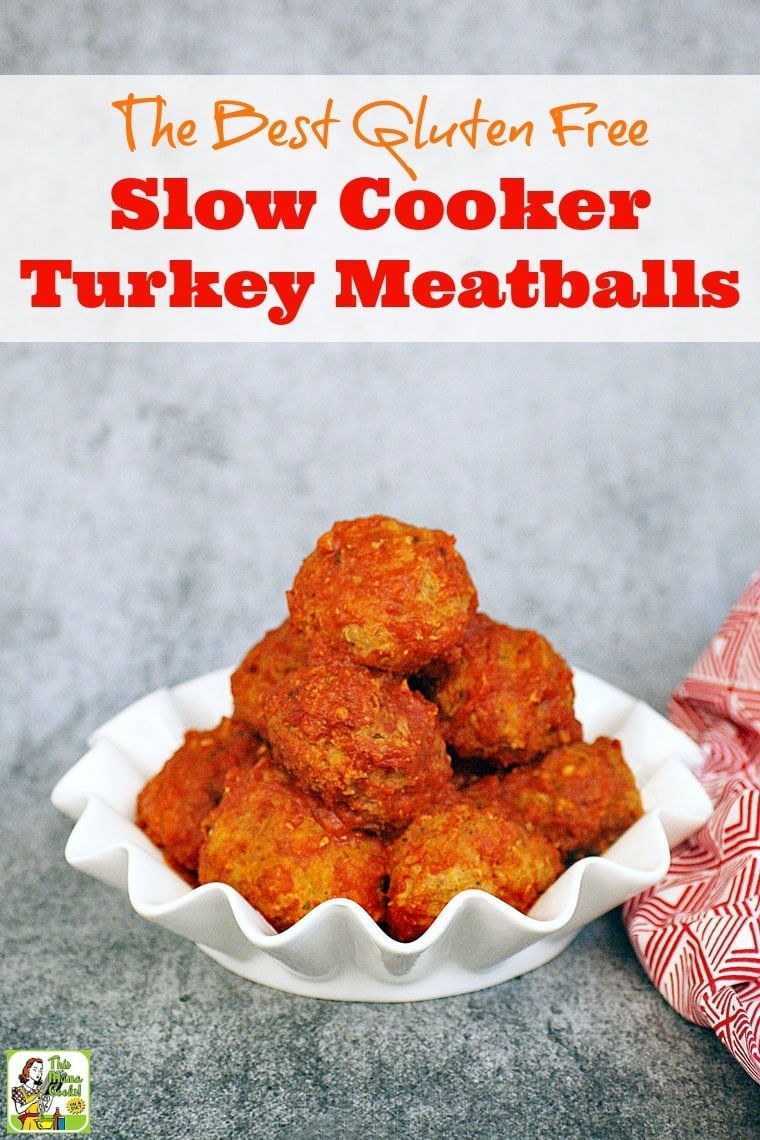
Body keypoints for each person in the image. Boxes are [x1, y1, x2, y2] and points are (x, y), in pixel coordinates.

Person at [10, 1057, 53, 1130]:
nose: (38, 1073)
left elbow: (45, 1109)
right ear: (28, 1070)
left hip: (39, 1122)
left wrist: (51, 1097)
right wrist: (33, 1101)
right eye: (35, 1070)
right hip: (28, 1123)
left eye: (40, 1070)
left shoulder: (41, 1089)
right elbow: (19, 1110)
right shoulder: (18, 1090)